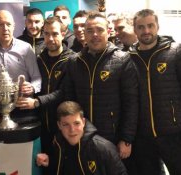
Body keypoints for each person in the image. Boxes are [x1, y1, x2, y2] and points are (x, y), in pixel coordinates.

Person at [62, 11, 138, 173]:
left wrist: (126, 139)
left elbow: (131, 103)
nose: (94, 35)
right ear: (84, 33)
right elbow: (69, 100)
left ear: (108, 32)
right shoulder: (74, 61)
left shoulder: (123, 60)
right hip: (83, 135)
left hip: (113, 137)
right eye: (90, 31)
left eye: (99, 30)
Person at [16, 16, 75, 167]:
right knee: (44, 167)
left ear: (63, 34)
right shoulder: (39, 59)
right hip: (42, 125)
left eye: (55, 34)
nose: (50, 38)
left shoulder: (72, 60)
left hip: (64, 125)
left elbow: (64, 92)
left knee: (64, 166)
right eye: (47, 34)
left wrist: (36, 102)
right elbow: (36, 85)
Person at [129, 9, 181, 175]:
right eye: (141, 27)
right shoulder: (128, 58)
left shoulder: (175, 52)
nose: (146, 31)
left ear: (157, 26)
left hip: (173, 133)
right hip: (143, 136)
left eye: (150, 25)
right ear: (135, 30)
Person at [0, 10, 42, 122]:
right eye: (0, 24)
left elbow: (37, 77)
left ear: (13, 26)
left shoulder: (26, 48)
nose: (5, 28)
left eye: (8, 24)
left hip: (23, 107)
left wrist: (32, 87)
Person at [36, 101, 128, 175]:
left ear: (83, 122)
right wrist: (49, 161)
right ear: (59, 125)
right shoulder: (58, 143)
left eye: (76, 123)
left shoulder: (104, 148)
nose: (72, 130)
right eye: (66, 125)